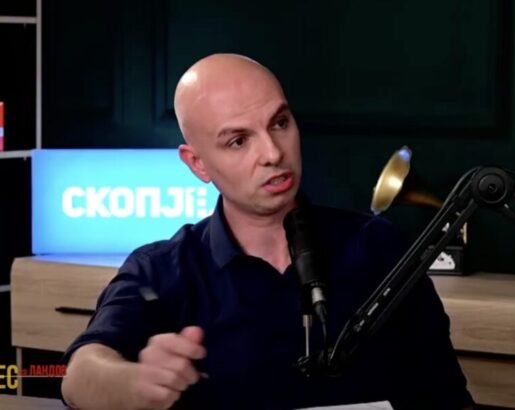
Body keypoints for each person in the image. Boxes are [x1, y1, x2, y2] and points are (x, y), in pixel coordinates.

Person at [60, 54, 474, 410]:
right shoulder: (161, 270)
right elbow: (77, 375)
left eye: (279, 123)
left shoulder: (381, 247)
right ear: (197, 164)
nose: (273, 153)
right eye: (238, 141)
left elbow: (448, 397)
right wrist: (134, 383)